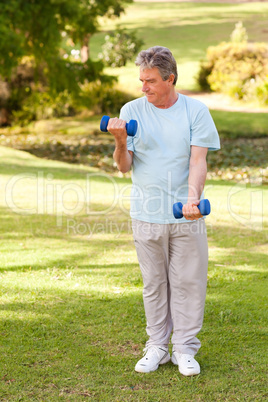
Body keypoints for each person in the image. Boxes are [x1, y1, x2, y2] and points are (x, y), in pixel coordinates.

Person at [107, 46, 220, 376]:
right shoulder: (132, 110)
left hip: (186, 214)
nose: (144, 87)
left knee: (188, 282)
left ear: (170, 79)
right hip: (145, 213)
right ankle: (157, 345)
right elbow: (124, 166)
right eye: (141, 80)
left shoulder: (195, 112)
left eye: (151, 81)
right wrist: (117, 140)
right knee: (154, 284)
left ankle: (184, 349)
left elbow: (198, 161)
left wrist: (192, 199)